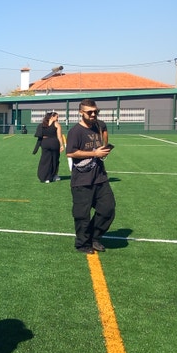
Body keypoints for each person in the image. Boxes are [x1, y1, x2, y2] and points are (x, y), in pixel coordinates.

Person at [65, 99, 115, 254]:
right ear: (81, 112)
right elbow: (70, 152)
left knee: (108, 209)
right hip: (82, 180)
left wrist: (103, 151)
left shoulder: (98, 126)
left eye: (96, 111)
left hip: (100, 177)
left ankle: (94, 237)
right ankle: (82, 244)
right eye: (89, 112)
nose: (93, 114)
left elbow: (101, 142)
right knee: (82, 215)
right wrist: (94, 154)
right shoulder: (76, 131)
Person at [34, 111, 65, 183]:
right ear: (52, 117)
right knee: (55, 159)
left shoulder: (42, 124)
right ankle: (54, 176)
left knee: (45, 160)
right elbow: (59, 136)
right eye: (57, 117)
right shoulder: (56, 124)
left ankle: (45, 177)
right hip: (54, 143)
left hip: (45, 143)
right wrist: (62, 145)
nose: (57, 119)